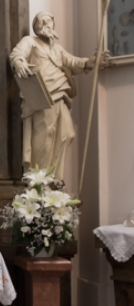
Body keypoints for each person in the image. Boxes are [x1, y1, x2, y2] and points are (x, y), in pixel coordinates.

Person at [10, 12, 94, 181]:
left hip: (60, 94)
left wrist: (89, 62)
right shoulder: (30, 41)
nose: (45, 24)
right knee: (45, 136)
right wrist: (19, 63)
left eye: (48, 21)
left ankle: (55, 178)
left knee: (67, 134)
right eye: (41, 21)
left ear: (53, 25)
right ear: (35, 26)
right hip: (41, 95)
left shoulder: (57, 49)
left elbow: (73, 62)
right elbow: (17, 54)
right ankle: (40, 179)